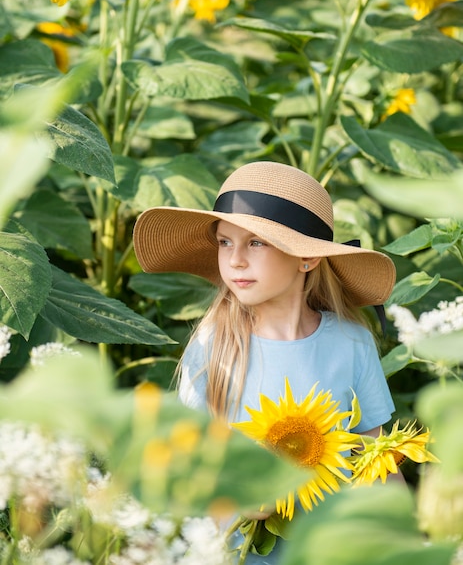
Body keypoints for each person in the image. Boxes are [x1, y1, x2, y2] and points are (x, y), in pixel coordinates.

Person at [133, 161, 401, 563]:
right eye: (225, 242)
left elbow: (375, 459)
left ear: (306, 258)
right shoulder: (213, 347)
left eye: (256, 242)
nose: (236, 260)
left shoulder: (350, 342)